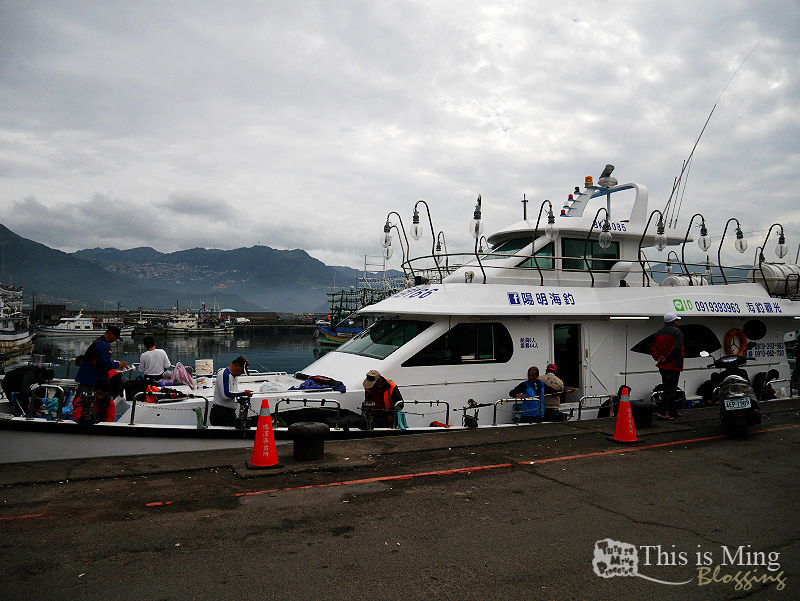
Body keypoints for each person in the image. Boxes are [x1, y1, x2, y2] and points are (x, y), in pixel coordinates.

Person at [75, 326, 129, 395]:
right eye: (116, 338)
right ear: (111, 334)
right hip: (91, 376)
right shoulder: (102, 345)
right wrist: (118, 364)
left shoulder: (100, 341)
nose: (115, 340)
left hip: (91, 375)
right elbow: (105, 363)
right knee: (87, 396)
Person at [650, 312, 684, 420]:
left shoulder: (658, 332)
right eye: (677, 320)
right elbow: (676, 348)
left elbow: (653, 348)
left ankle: (673, 412)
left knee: (668, 388)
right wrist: (666, 358)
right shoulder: (677, 332)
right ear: (674, 321)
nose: (678, 322)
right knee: (670, 390)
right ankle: (663, 412)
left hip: (662, 366)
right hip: (673, 365)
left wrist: (658, 358)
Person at [211, 356, 253, 427]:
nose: (241, 373)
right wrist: (243, 393)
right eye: (242, 371)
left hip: (230, 412)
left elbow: (234, 392)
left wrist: (242, 396)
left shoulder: (234, 377)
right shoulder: (224, 374)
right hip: (221, 413)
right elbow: (226, 395)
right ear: (237, 365)